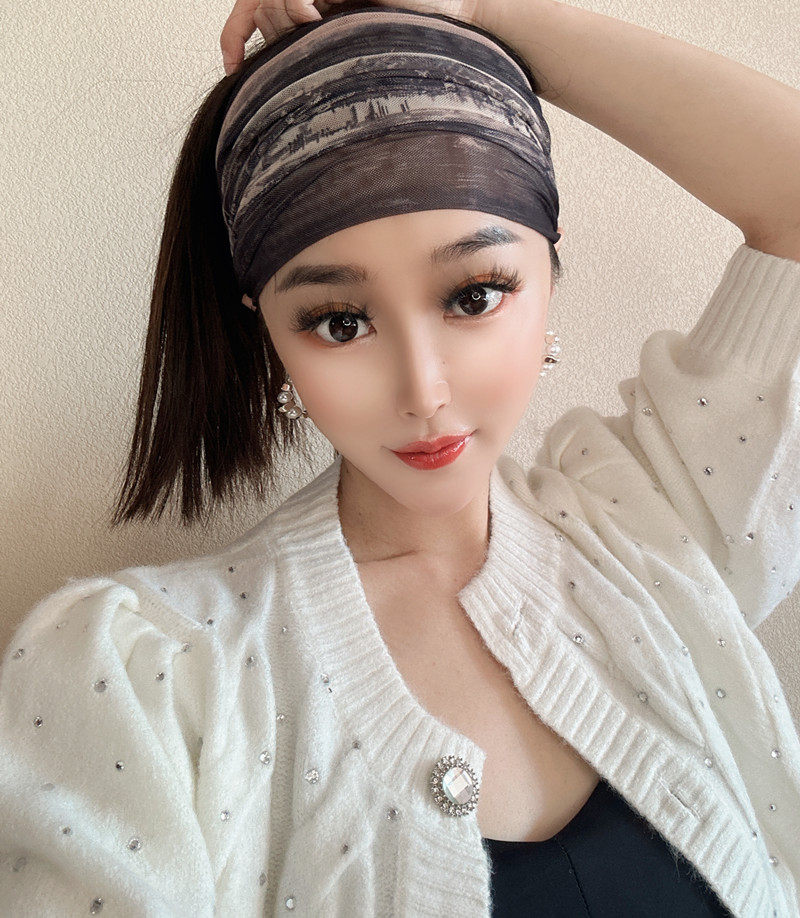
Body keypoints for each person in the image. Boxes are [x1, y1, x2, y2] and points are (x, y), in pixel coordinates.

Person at [1, 0, 799, 914]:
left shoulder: (651, 528)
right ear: (266, 331)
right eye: (339, 322)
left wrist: (479, 8)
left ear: (548, 269)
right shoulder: (151, 680)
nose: (423, 390)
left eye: (474, 295)